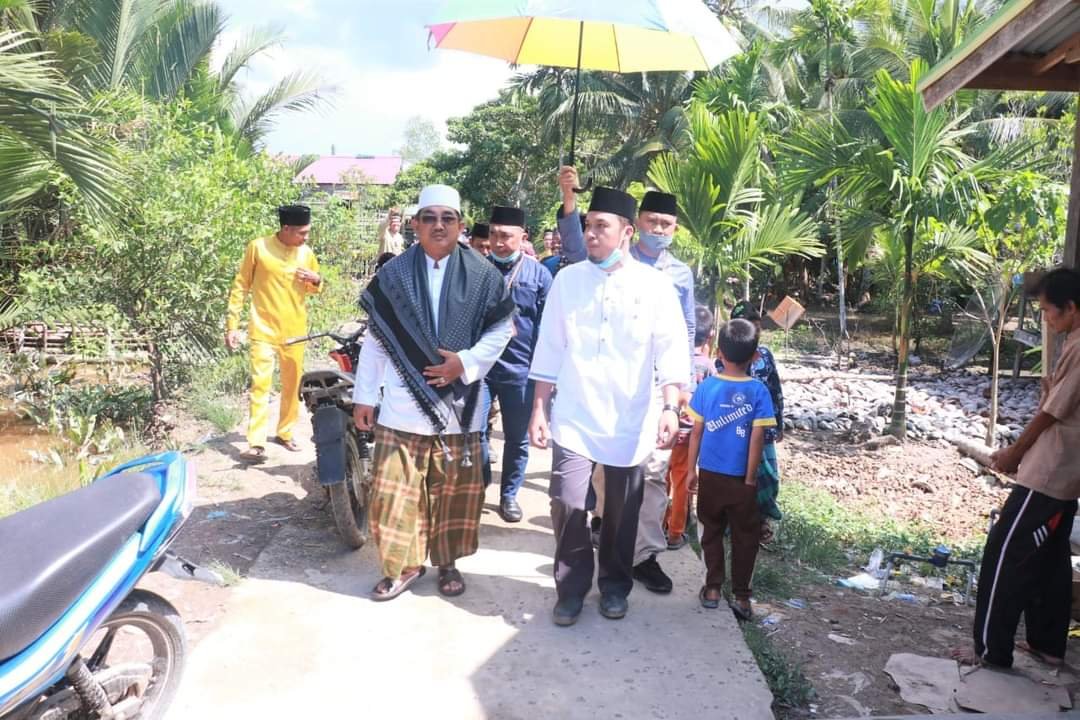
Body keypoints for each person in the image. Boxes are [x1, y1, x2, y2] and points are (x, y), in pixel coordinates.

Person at [529, 186, 689, 626]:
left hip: (630, 419)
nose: (591, 233)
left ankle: (615, 586)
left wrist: (670, 407)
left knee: (623, 510)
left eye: (601, 226)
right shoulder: (568, 280)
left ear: (624, 232)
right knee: (567, 501)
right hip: (575, 415)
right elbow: (549, 348)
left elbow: (671, 350)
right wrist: (539, 409)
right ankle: (571, 588)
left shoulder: (654, 285)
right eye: (588, 225)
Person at [353, 184, 515, 601]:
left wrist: (465, 362)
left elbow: (502, 331)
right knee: (393, 495)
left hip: (460, 407)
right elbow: (375, 341)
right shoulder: (392, 275)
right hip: (401, 406)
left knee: (454, 495)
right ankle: (402, 566)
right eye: (429, 218)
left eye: (448, 218)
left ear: (460, 225)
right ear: (415, 225)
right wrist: (364, 397)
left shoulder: (483, 275)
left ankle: (447, 563)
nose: (439, 225)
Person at [952, 267, 1080, 669]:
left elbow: (1051, 413)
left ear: (1071, 308)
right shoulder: (1073, 341)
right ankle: (1046, 643)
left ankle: (989, 649)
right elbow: (1059, 401)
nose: (1046, 319)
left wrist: (1014, 453)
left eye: (1048, 311)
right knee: (1050, 559)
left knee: (1005, 550)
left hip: (1050, 471)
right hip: (1067, 473)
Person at [687, 319, 776, 620]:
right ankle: (742, 598)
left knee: (709, 531)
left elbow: (696, 433)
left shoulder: (707, 387)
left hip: (710, 474)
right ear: (755, 356)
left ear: (718, 353)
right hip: (742, 479)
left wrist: (690, 471)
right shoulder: (758, 392)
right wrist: (751, 477)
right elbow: (757, 438)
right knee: (745, 536)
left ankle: (712, 588)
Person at [226, 204, 322, 464]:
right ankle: (256, 443)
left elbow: (314, 289)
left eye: (307, 232)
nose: (305, 237)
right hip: (263, 329)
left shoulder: (307, 253)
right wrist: (232, 324)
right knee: (260, 386)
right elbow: (241, 285)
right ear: (286, 228)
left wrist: (316, 279)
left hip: (295, 331)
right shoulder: (258, 247)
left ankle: (285, 431)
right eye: (302, 232)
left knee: (292, 386)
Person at [486, 206, 553, 522]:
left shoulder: (539, 275)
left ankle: (509, 495)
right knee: (474, 434)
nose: (498, 242)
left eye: (506, 236)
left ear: (523, 237)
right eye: (494, 235)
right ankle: (478, 488)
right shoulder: (477, 270)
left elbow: (547, 328)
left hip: (521, 370)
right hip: (480, 371)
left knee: (516, 438)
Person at [726, 301, 785, 542]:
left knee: (766, 477)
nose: (755, 332)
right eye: (750, 327)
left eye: (758, 327)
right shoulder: (724, 356)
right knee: (737, 475)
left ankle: (760, 521)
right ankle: (734, 522)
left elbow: (775, 388)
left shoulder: (765, 356)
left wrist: (779, 423)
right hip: (735, 430)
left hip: (764, 428)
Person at [666, 304, 717, 550]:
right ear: (710, 336)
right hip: (689, 436)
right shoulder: (708, 366)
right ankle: (675, 533)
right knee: (682, 485)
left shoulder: (674, 360)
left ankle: (653, 525)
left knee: (660, 481)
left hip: (667, 431)